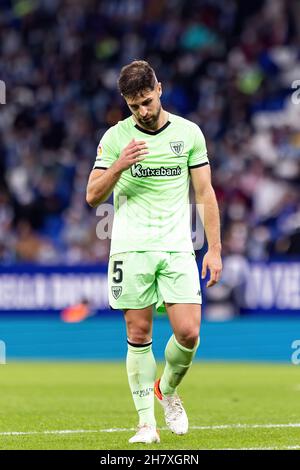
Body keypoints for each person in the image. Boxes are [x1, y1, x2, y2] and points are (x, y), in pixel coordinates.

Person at [86, 60, 222, 444]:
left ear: (159, 89)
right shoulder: (115, 138)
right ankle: (146, 424)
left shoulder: (188, 133)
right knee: (138, 331)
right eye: (134, 106)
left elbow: (205, 193)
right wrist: (120, 165)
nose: (142, 112)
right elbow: (92, 195)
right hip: (131, 248)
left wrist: (215, 248)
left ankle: (167, 389)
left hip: (178, 246)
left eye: (146, 101)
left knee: (189, 332)